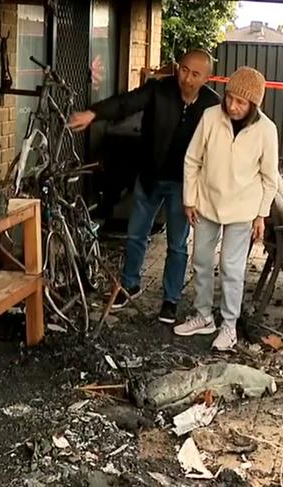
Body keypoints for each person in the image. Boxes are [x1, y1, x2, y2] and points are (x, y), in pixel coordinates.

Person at [69, 50, 220, 324]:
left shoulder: (213, 105)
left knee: (177, 245)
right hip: (151, 176)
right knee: (136, 234)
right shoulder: (159, 90)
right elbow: (126, 103)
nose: (186, 78)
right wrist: (94, 113)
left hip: (184, 187)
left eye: (195, 74)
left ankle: (171, 300)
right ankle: (130, 286)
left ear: (207, 78)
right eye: (183, 69)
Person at [173, 66, 279, 351]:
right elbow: (192, 160)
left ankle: (229, 325)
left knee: (231, 268)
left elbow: (270, 178)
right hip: (207, 203)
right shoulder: (210, 117)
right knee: (202, 262)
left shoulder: (267, 131)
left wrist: (261, 214)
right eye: (230, 98)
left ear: (253, 104)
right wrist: (189, 199)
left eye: (241, 102)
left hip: (243, 210)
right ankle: (203, 315)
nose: (232, 105)